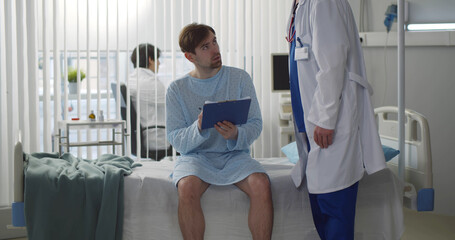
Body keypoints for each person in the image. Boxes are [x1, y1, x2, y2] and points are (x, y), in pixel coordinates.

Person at [286, 0, 387, 239]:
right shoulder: (300, 5)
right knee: (321, 207)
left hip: (330, 122)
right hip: (311, 122)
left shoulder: (324, 2)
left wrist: (326, 119)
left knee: (334, 208)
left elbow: (332, 64)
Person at [166, 23, 273, 240]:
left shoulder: (240, 78)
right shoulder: (176, 89)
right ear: (190, 56)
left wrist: (235, 134)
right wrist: (198, 127)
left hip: (234, 156)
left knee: (261, 183)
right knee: (186, 187)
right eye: (205, 47)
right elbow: (176, 139)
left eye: (214, 41)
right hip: (196, 158)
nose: (215, 49)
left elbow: (255, 123)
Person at [129, 43, 171, 160]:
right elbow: (174, 104)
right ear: (150, 59)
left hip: (146, 135)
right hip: (157, 137)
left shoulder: (133, 79)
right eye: (157, 59)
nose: (159, 63)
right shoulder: (150, 83)